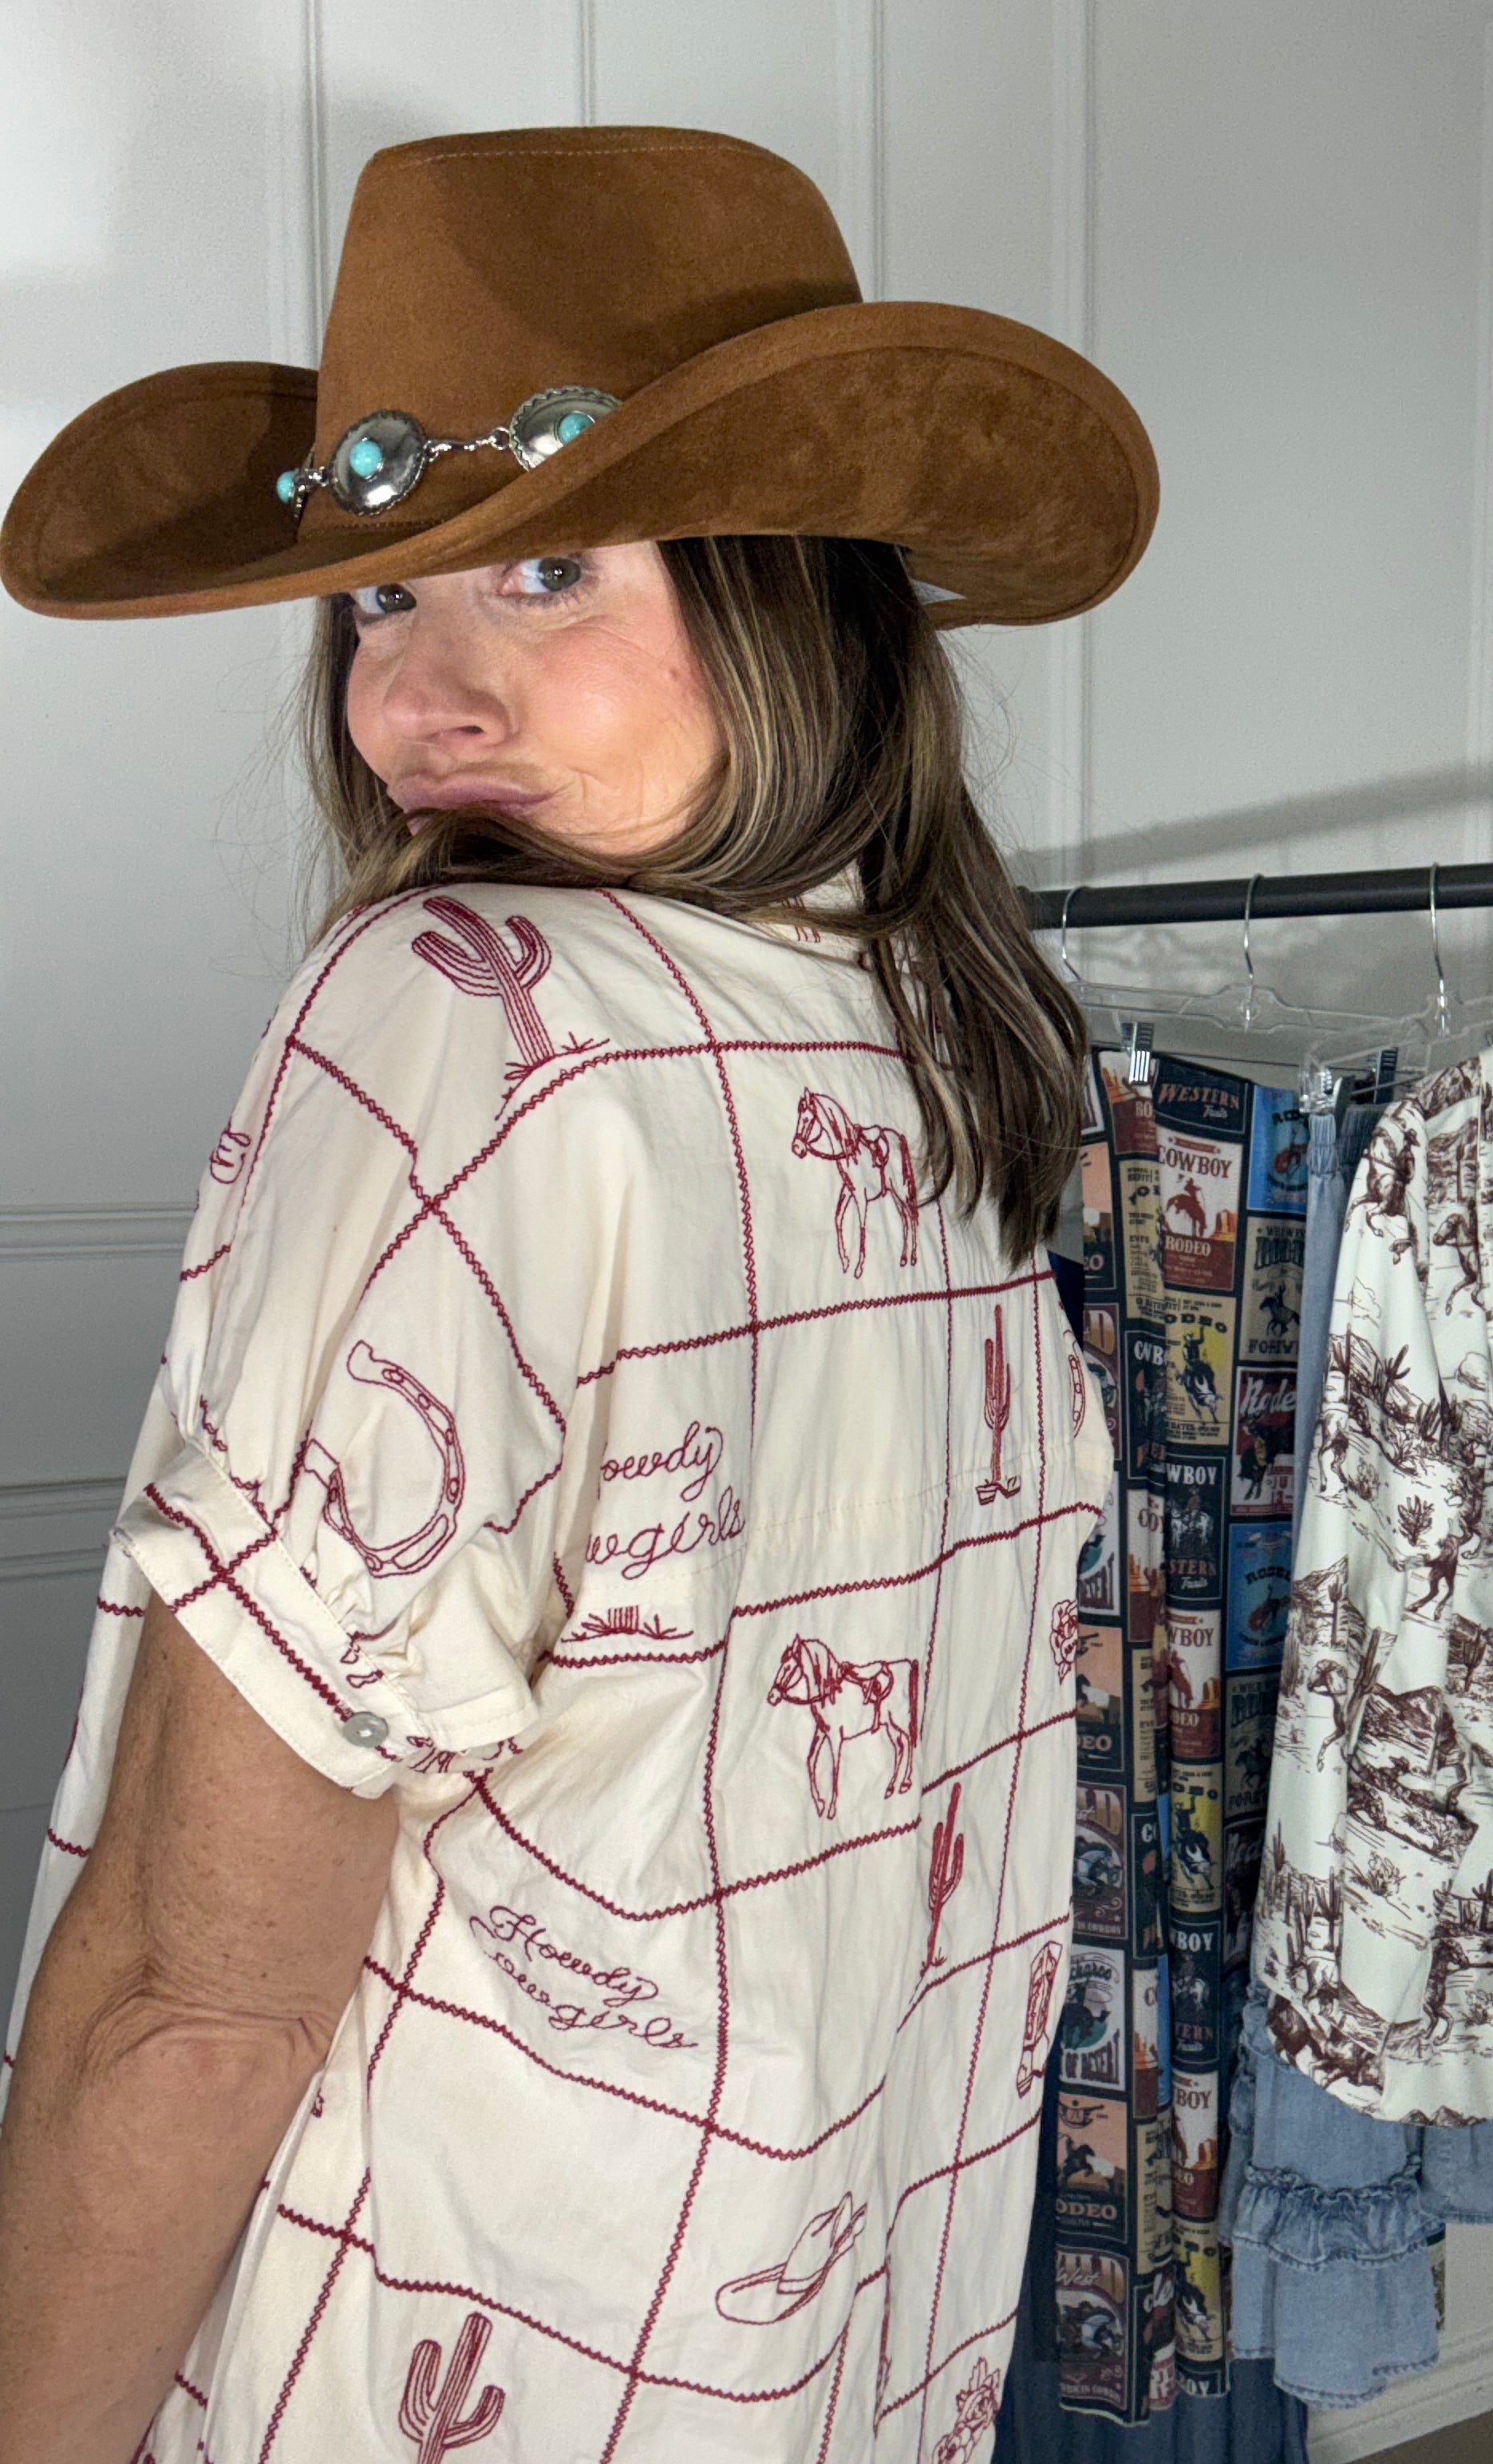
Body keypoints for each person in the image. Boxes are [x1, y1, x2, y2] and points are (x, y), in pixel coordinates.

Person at [0, 127, 1155, 2461]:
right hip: (829, 2352)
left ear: (795, 595)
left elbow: (202, 2001)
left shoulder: (461, 1022)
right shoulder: (948, 1053)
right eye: (376, 600)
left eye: (546, 571)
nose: (419, 699)